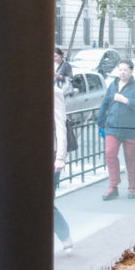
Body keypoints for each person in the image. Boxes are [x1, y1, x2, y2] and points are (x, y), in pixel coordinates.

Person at [96, 60, 135, 200]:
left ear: (131, 71)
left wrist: (126, 100)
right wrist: (100, 122)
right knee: (110, 154)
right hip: (112, 127)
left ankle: (132, 186)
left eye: (125, 70)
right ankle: (113, 187)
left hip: (131, 128)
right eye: (120, 70)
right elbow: (105, 103)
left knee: (132, 158)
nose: (122, 72)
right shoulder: (113, 85)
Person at [53, 84, 73, 253]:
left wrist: (60, 156)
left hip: (50, 154)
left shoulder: (54, 92)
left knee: (44, 201)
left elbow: (61, 125)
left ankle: (64, 235)